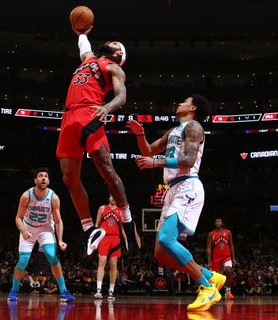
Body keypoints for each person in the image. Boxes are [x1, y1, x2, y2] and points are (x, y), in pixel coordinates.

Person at [128, 94, 223, 312]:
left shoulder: (194, 127)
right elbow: (148, 150)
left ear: (193, 107)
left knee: (165, 238)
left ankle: (206, 287)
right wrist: (140, 135)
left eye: (184, 101)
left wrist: (156, 163)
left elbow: (188, 161)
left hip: (188, 186)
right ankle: (211, 276)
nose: (179, 103)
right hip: (172, 190)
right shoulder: (174, 131)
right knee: (160, 253)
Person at [57, 26, 139, 255]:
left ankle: (128, 221)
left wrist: (107, 107)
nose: (111, 41)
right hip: (68, 117)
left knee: (106, 170)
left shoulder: (113, 67)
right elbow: (84, 46)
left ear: (118, 55)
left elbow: (121, 96)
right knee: (68, 177)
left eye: (115, 43)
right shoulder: (89, 59)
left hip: (90, 114)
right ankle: (89, 229)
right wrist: (81, 32)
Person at [7, 168, 75, 303]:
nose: (43, 178)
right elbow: (18, 218)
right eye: (40, 176)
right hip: (28, 228)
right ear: (35, 180)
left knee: (51, 255)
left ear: (48, 181)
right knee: (23, 260)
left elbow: (58, 221)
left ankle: (63, 291)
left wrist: (60, 239)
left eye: (46, 176)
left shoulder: (53, 197)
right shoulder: (27, 196)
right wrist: (23, 231)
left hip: (45, 229)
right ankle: (14, 290)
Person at [94, 195, 126, 299]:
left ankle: (111, 291)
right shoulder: (102, 208)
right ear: (108, 198)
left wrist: (125, 240)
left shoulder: (121, 211)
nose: (113, 198)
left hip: (116, 239)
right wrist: (94, 240)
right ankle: (98, 290)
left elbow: (122, 228)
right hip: (104, 237)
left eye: (114, 196)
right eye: (111, 196)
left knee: (113, 265)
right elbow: (97, 225)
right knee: (101, 262)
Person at [207, 218, 236, 300]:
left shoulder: (228, 232)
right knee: (214, 277)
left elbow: (231, 245)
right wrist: (209, 261)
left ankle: (228, 291)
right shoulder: (211, 234)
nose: (217, 222)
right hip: (216, 258)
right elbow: (209, 248)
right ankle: (213, 292)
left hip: (227, 256)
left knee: (229, 271)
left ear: (222, 223)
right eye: (216, 221)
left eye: (219, 221)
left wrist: (233, 258)